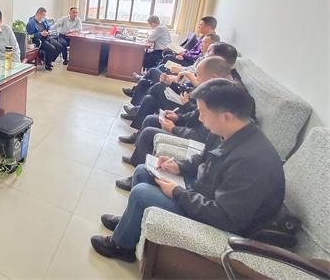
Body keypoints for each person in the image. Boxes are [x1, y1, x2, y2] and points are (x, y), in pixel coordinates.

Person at [90, 79, 285, 264]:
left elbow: (225, 218)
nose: (199, 118)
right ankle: (128, 224)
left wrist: (177, 192)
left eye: (203, 113)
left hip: (217, 218)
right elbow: (203, 158)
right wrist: (178, 166)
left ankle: (121, 247)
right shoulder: (229, 133)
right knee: (143, 171)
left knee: (142, 193)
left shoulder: (251, 162)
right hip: (204, 191)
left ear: (226, 116)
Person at [114, 56, 235, 191]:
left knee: (149, 131)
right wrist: (177, 117)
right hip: (189, 124)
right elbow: (196, 115)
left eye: (198, 76)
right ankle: (137, 155)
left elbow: (200, 135)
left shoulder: (224, 100)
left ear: (213, 77)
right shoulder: (216, 91)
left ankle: (137, 174)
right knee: (151, 111)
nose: (196, 79)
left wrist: (174, 129)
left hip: (193, 136)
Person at [122, 34, 221, 105]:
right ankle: (138, 93)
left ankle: (139, 86)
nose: (201, 45)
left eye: (204, 44)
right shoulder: (204, 57)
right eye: (202, 43)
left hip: (183, 81)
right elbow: (192, 68)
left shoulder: (210, 66)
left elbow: (194, 77)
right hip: (183, 74)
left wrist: (181, 70)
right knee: (157, 71)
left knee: (154, 72)